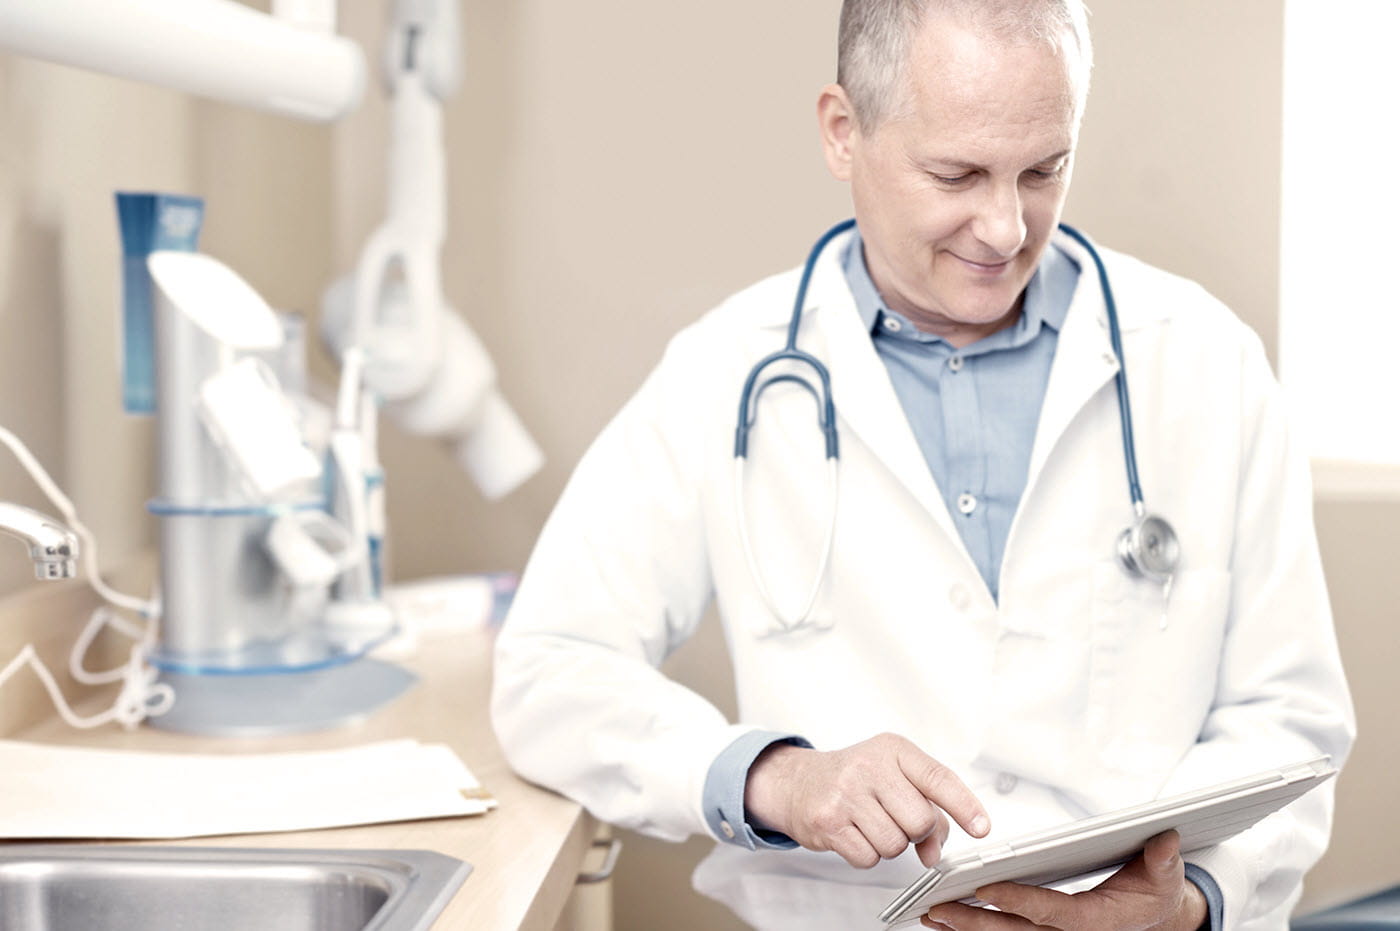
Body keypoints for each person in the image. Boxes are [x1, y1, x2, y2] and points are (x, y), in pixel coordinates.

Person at [491, 1, 1356, 928]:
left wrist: (1186, 901)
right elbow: (550, 671)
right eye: (957, 174)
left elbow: (1290, 720)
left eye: (1044, 170)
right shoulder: (724, 373)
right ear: (843, 131)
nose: (1005, 228)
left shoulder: (1205, 361)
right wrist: (777, 777)